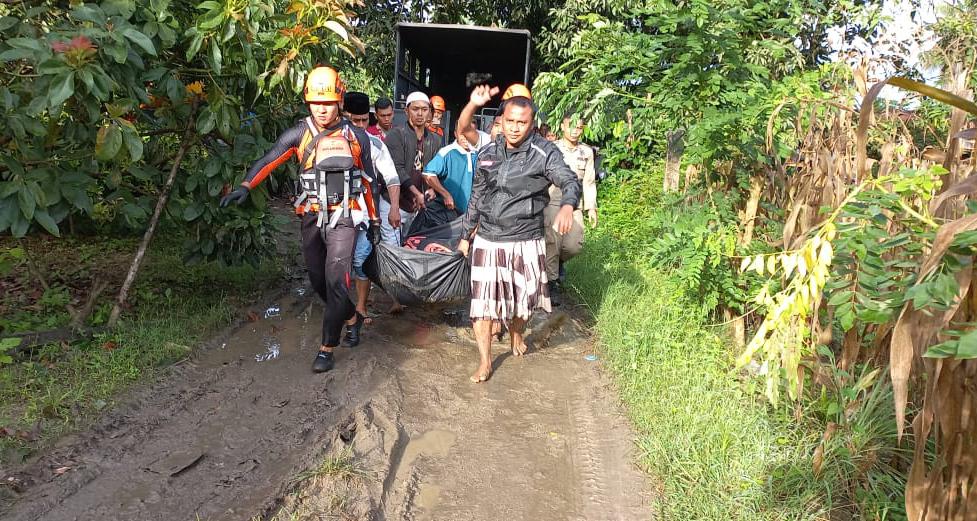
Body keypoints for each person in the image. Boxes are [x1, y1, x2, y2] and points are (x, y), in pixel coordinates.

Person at [220, 66, 380, 374]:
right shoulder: (299, 133)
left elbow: (369, 182)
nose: (322, 108)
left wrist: (373, 222)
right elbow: (269, 159)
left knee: (336, 282)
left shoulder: (357, 136)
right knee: (319, 282)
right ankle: (352, 317)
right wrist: (245, 186)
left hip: (345, 217)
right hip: (311, 216)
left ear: (340, 101)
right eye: (316, 102)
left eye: (329, 102)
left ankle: (326, 348)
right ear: (308, 102)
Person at [457, 88, 582, 384]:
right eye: (510, 121)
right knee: (482, 303)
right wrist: (466, 234)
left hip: (525, 239)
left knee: (523, 302)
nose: (514, 128)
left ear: (532, 124)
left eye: (521, 123)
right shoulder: (489, 151)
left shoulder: (544, 152)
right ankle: (485, 361)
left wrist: (567, 205)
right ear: (503, 119)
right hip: (488, 237)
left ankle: (516, 333)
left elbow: (569, 180)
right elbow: (477, 196)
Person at [342, 91, 402, 345]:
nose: (360, 127)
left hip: (366, 215)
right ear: (343, 117)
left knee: (359, 261)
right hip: (336, 216)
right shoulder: (330, 142)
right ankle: (341, 307)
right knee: (338, 263)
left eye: (364, 121)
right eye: (354, 121)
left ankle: (361, 306)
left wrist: (394, 207)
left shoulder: (375, 145)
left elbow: (391, 177)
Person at [545, 112, 598, 306]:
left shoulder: (587, 152)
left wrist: (591, 208)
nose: (575, 131)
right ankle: (551, 283)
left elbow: (589, 181)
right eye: (571, 126)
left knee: (574, 245)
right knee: (551, 242)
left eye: (579, 127)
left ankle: (557, 264)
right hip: (552, 201)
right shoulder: (551, 148)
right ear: (562, 126)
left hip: (574, 204)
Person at [384, 91, 440, 238]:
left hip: (417, 206)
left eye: (424, 109)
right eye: (415, 109)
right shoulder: (396, 135)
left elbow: (435, 170)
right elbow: (398, 169)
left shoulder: (435, 139)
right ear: (406, 110)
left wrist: (432, 190)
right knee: (392, 248)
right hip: (393, 203)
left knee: (410, 248)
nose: (420, 114)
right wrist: (417, 192)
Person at [422, 125, 489, 217]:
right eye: (462, 133)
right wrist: (445, 194)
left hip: (473, 214)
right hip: (449, 214)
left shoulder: (481, 153)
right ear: (455, 134)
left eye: (469, 133)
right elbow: (428, 174)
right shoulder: (447, 152)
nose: (466, 137)